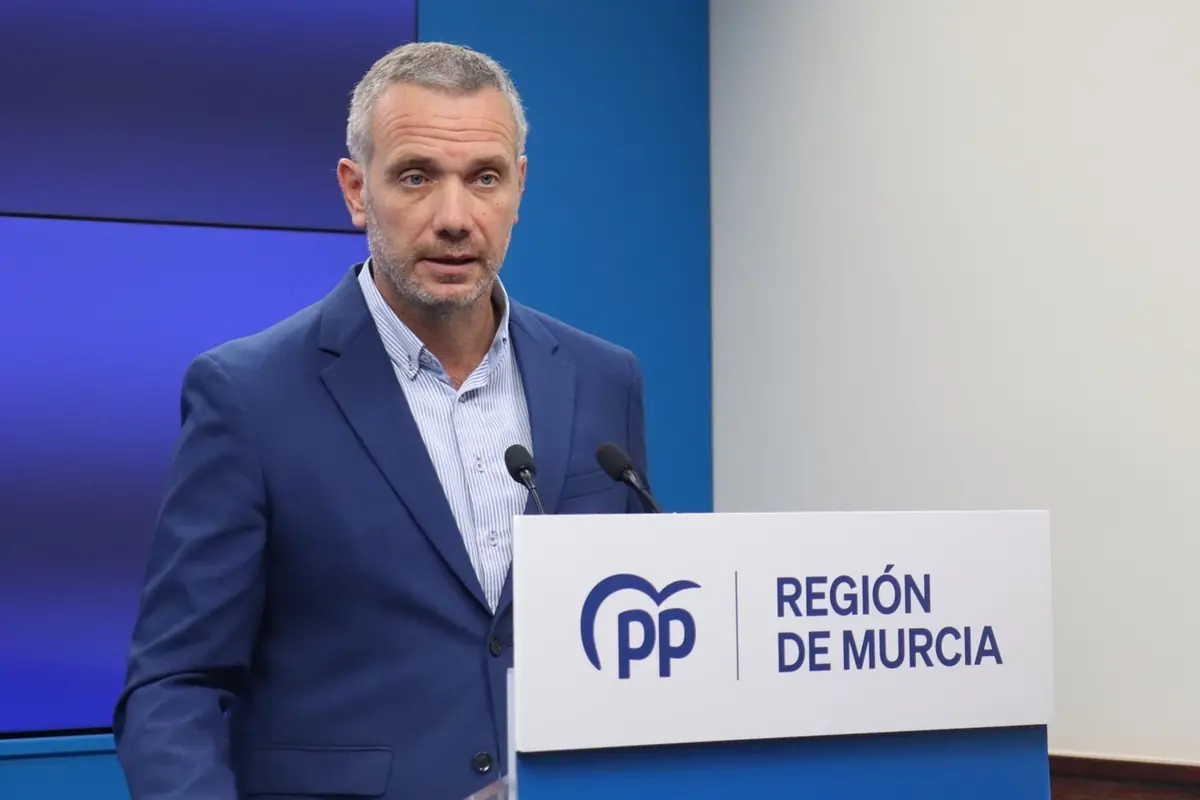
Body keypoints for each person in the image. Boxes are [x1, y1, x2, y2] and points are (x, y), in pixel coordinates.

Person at [113, 41, 650, 800]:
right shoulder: (248, 394)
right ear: (356, 190)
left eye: (484, 178)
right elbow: (175, 684)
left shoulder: (603, 380)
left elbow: (633, 644)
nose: (455, 217)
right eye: (416, 177)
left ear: (519, 188)